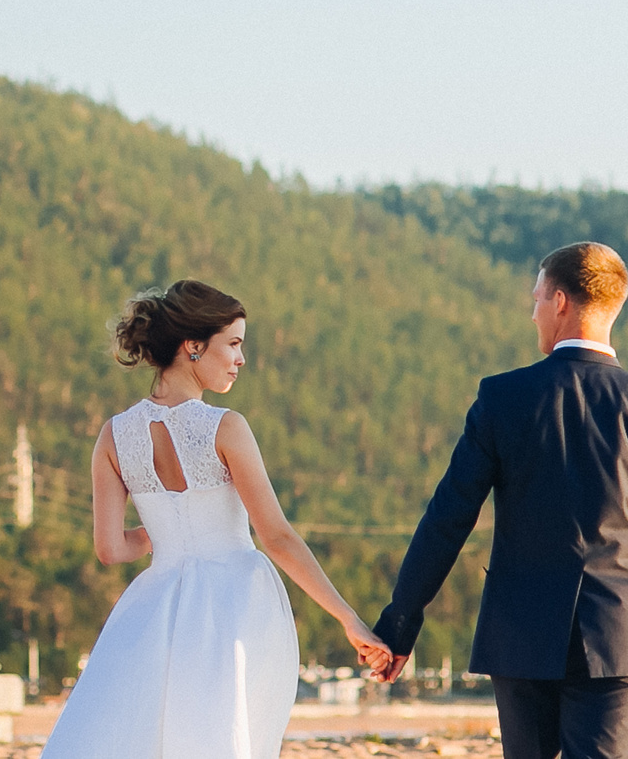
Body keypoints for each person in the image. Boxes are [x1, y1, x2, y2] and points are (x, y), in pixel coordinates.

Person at [368, 242, 628, 759]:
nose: (534, 311)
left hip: (519, 637)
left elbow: (448, 518)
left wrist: (401, 622)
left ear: (562, 302)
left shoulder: (502, 399)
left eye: (538, 297)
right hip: (620, 641)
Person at [44, 280, 394, 759]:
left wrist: (161, 532)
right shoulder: (224, 428)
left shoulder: (114, 435)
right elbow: (276, 536)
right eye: (233, 343)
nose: (241, 358)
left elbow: (110, 550)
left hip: (156, 606)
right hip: (233, 605)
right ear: (193, 345)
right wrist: (349, 620)